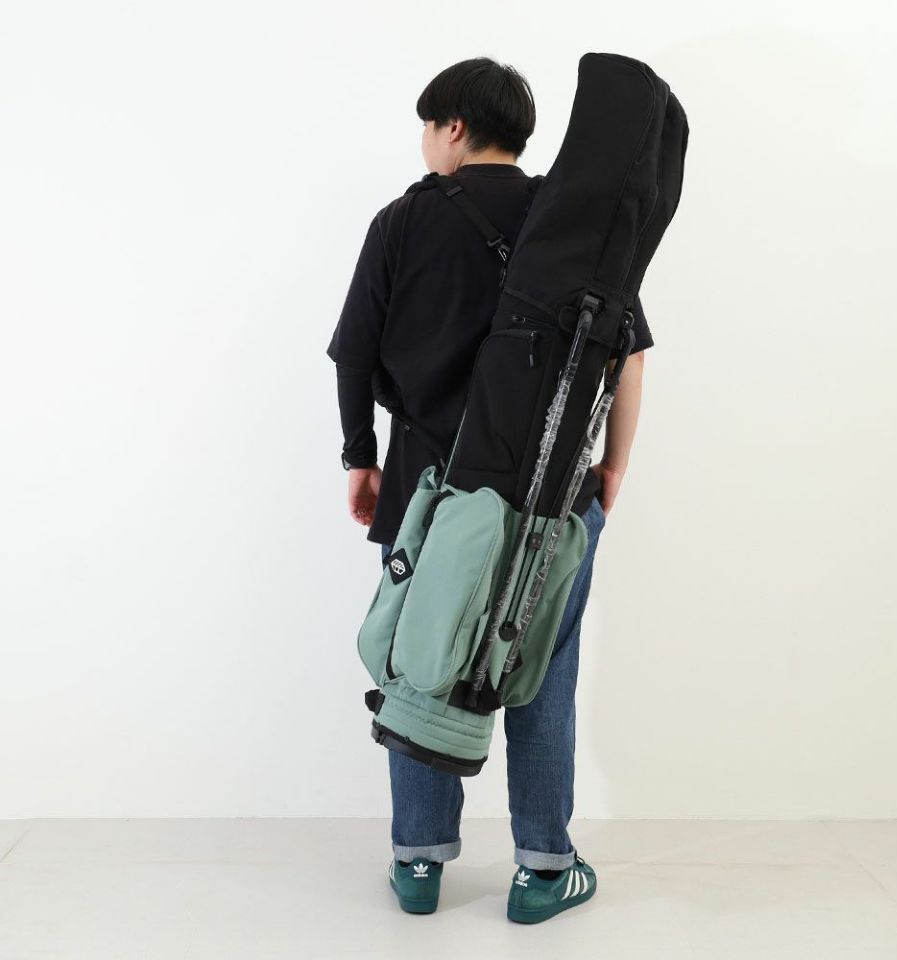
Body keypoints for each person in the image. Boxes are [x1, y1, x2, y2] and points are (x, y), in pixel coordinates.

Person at [326, 57, 650, 924]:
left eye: (428, 126)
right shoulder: (571, 219)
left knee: (421, 659)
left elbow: (353, 353)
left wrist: (361, 457)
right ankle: (544, 868)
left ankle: (419, 861)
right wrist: (612, 467)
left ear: (455, 128)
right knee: (542, 667)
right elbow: (627, 355)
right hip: (552, 493)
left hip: (427, 488)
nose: (426, 143)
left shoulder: (402, 221)